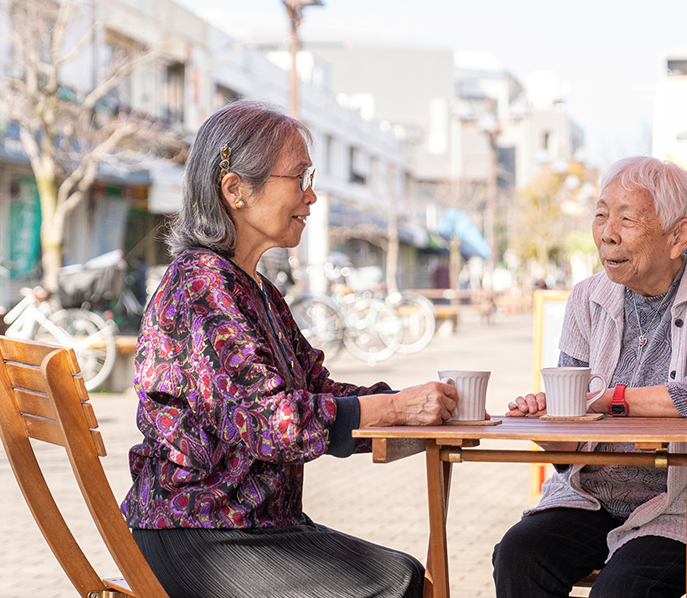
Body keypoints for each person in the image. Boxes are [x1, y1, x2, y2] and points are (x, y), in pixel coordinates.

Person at [123, 100, 458, 598]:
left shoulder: (252, 288)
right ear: (235, 189)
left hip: (252, 527)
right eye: (298, 177)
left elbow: (315, 390)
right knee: (396, 586)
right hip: (198, 531)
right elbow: (271, 422)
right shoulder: (200, 286)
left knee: (405, 577)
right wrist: (392, 408)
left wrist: (410, 405)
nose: (312, 195)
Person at [493, 156, 687, 598]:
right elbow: (569, 455)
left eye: (627, 218)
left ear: (678, 235)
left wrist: (609, 400)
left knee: (622, 590)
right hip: (591, 496)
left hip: (685, 507)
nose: (607, 233)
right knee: (519, 555)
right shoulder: (586, 297)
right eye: (600, 215)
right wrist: (550, 424)